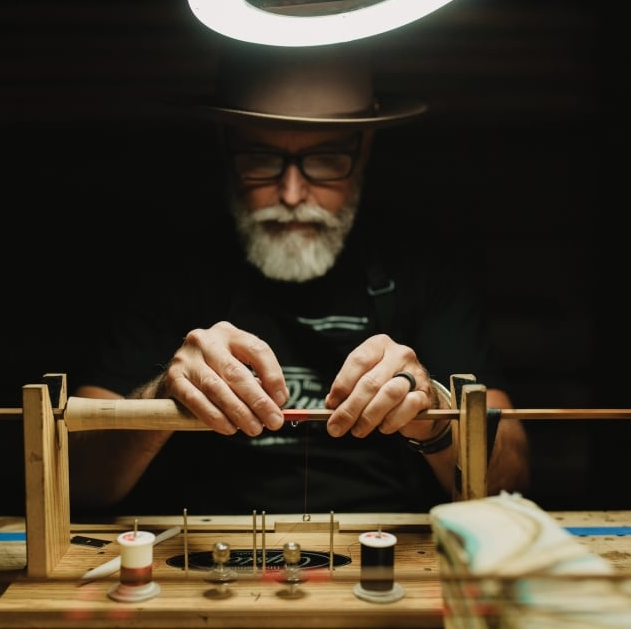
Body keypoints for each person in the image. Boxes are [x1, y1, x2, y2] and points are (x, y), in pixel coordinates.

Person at [67, 42, 531, 516]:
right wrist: (160, 397)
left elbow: (510, 478)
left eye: (326, 159)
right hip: (207, 554)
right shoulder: (174, 270)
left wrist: (435, 417)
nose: (291, 193)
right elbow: (72, 478)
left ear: (364, 149)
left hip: (389, 549)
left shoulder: (424, 267)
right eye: (261, 158)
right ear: (227, 149)